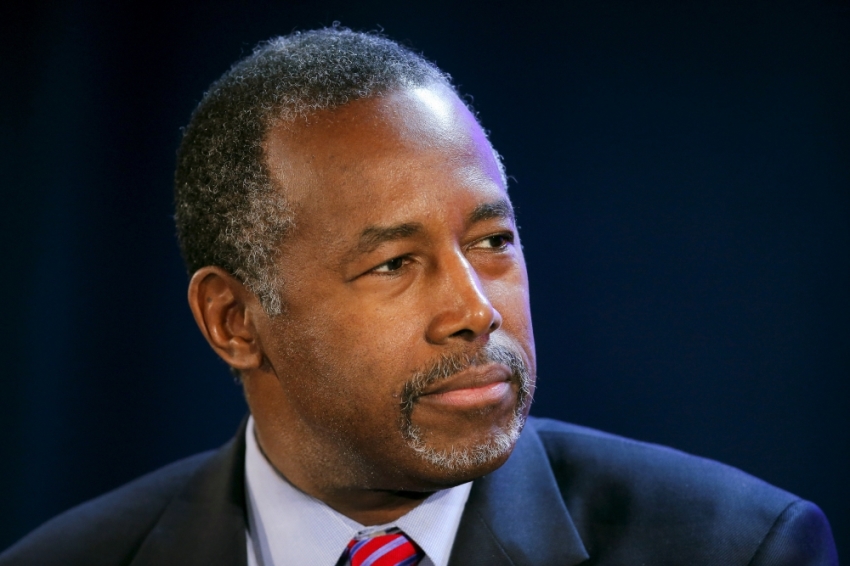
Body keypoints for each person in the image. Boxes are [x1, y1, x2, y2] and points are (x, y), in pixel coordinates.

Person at [0, 27, 838, 566]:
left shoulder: (739, 548)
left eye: (491, 242)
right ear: (234, 321)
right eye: (395, 264)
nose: (477, 310)